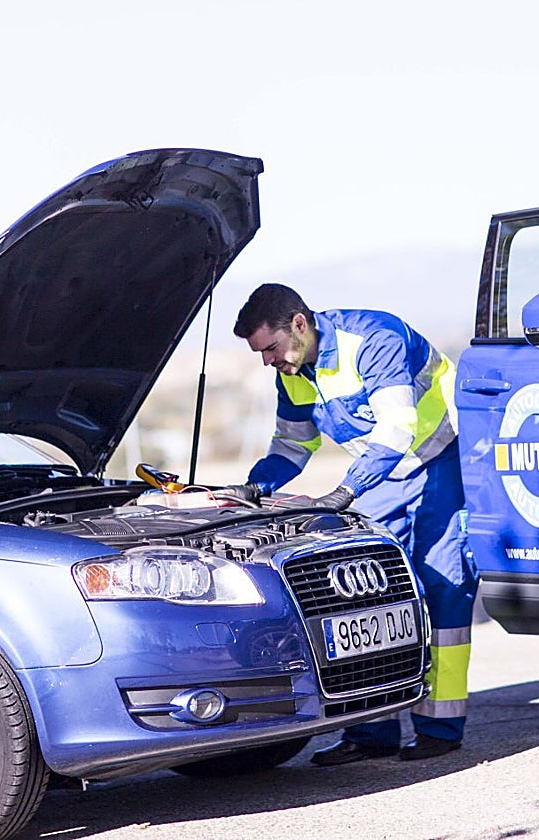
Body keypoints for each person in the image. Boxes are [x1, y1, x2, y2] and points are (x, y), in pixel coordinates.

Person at [227, 283, 478, 763]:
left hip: (439, 463)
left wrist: (344, 493)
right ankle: (370, 730)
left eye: (270, 348)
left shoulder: (376, 338)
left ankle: (440, 726)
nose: (268, 361)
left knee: (445, 588)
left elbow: (396, 429)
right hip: (376, 478)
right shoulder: (294, 369)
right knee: (364, 595)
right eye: (261, 354)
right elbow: (292, 446)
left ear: (299, 324)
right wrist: (254, 487)